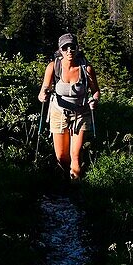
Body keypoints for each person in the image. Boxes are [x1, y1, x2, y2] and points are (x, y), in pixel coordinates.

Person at [38, 33, 100, 179]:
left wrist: (94, 100)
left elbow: (95, 91)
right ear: (60, 50)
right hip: (58, 112)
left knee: (75, 157)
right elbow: (43, 89)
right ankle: (63, 189)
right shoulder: (53, 67)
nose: (69, 51)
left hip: (81, 114)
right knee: (61, 157)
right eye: (65, 48)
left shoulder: (87, 68)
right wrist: (43, 95)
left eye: (72, 47)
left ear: (77, 48)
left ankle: (75, 191)